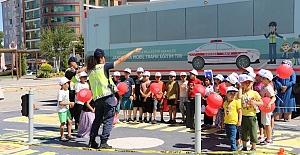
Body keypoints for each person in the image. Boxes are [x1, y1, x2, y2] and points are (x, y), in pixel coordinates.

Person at [86, 47, 142, 149]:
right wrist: (133, 51)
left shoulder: (91, 70)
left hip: (97, 98)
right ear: (102, 58)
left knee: (97, 120)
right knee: (108, 119)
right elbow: (120, 60)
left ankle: (92, 141)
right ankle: (103, 142)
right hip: (107, 96)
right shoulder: (103, 67)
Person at [239, 74, 263, 152]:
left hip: (252, 115)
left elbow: (261, 103)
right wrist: (240, 87)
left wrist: (255, 102)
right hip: (243, 115)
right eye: (246, 82)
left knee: (253, 132)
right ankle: (244, 146)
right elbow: (239, 97)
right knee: (244, 132)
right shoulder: (241, 92)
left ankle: (253, 147)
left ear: (252, 83)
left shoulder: (254, 93)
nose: (248, 84)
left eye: (249, 82)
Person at [65, 57, 86, 131]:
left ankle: (77, 126)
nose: (77, 64)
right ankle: (69, 128)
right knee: (71, 112)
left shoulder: (76, 72)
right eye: (76, 62)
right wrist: (87, 66)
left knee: (78, 112)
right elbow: (77, 72)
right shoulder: (68, 71)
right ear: (72, 63)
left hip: (76, 94)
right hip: (70, 94)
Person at [223, 86, 242, 151]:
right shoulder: (225, 103)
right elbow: (224, 113)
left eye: (234, 94)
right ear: (226, 94)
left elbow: (240, 112)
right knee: (228, 136)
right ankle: (233, 146)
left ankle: (233, 148)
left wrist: (239, 121)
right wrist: (223, 121)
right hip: (227, 122)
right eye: (231, 93)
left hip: (233, 122)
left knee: (232, 137)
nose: (232, 95)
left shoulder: (236, 102)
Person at [260, 70, 276, 145]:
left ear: (268, 80)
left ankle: (269, 139)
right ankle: (266, 137)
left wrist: (269, 103)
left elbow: (273, 97)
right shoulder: (264, 87)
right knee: (264, 123)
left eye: (264, 78)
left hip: (267, 108)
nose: (262, 79)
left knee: (267, 123)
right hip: (263, 107)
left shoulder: (269, 88)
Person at [57, 77, 76, 141]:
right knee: (63, 123)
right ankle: (62, 136)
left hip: (66, 109)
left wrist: (69, 104)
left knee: (70, 121)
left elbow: (67, 100)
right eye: (67, 83)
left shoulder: (67, 91)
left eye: (68, 83)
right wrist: (69, 103)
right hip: (62, 110)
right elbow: (60, 102)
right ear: (62, 84)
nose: (68, 84)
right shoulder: (60, 92)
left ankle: (69, 134)